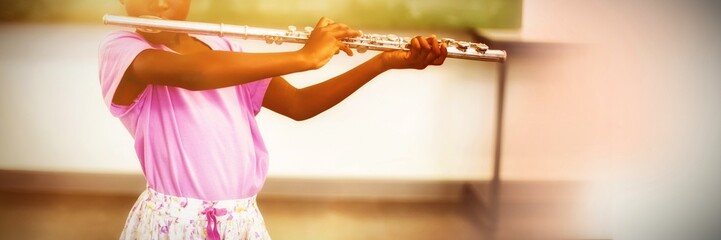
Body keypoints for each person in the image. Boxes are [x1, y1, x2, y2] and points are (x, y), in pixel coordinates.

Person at [99, 0, 447, 239]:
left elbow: (299, 103)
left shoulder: (224, 48)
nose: (158, 3)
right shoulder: (122, 50)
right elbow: (196, 74)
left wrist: (380, 63)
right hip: (171, 225)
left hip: (241, 222)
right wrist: (303, 56)